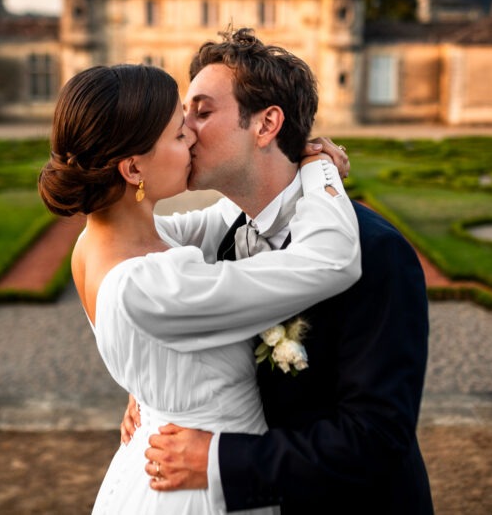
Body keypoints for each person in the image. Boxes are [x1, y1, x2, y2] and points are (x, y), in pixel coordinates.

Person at [126, 28, 434, 513]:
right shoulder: (221, 239)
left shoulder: (377, 253)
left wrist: (219, 461)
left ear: (266, 124)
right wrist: (153, 388)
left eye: (202, 112)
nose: (183, 130)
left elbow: (377, 437)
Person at [37, 63, 361, 514]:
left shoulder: (98, 244)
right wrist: (320, 170)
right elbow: (331, 260)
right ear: (133, 168)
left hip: (159, 456)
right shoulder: (147, 284)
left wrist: (281, 161)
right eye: (176, 134)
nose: (191, 136)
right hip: (200, 488)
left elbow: (234, 215)